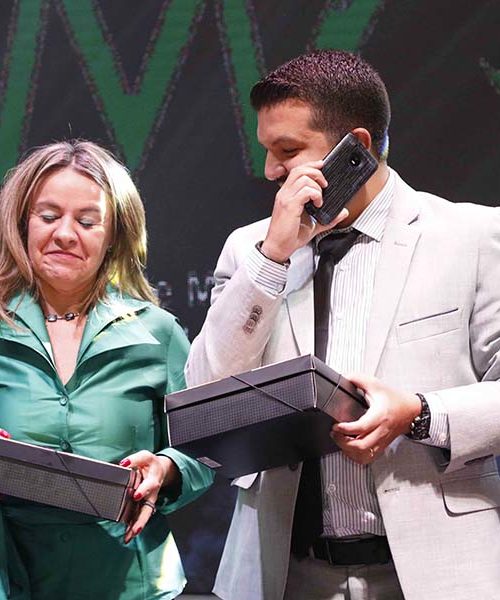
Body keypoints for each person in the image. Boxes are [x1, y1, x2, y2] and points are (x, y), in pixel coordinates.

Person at [185, 49, 500, 600]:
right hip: (284, 574)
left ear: (355, 147)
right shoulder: (251, 249)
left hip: (435, 572)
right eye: (266, 151)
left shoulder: (472, 237)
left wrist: (421, 413)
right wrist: (273, 258)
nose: (270, 171)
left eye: (288, 151)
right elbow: (206, 393)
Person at [0, 139, 214, 600]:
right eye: (48, 216)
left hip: (130, 582)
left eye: (87, 221)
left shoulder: (158, 333)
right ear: (22, 223)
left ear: (114, 234)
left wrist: (167, 467)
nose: (65, 234)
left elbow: (206, 451)